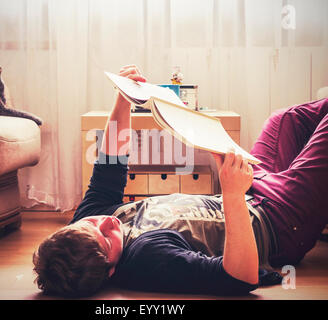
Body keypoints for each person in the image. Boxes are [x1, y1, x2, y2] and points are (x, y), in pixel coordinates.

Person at [33, 65, 328, 298]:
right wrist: (233, 195)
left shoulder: (86, 219)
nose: (108, 223)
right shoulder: (147, 260)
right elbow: (240, 277)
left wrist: (123, 98)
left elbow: (110, 164)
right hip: (278, 222)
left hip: (251, 187)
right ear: (110, 272)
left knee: (286, 118)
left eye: (91, 224)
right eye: (107, 239)